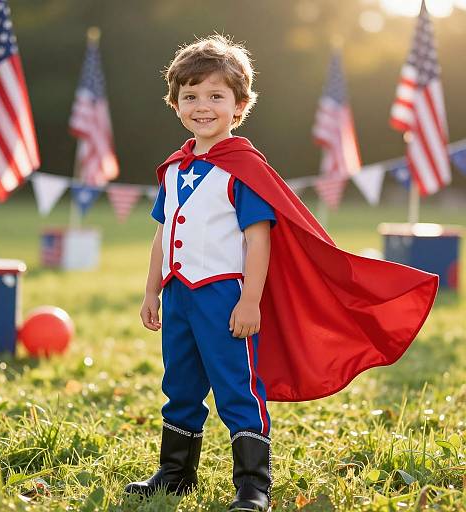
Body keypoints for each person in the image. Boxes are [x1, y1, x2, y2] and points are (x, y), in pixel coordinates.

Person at [125, 35, 438, 512]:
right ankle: (175, 473)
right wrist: (152, 290)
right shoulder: (173, 169)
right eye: (190, 96)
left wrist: (250, 300)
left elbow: (258, 238)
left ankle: (253, 485)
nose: (202, 106)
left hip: (224, 297)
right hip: (179, 297)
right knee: (179, 386)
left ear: (239, 105)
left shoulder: (242, 168)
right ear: (175, 103)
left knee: (237, 388)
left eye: (215, 96)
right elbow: (162, 233)